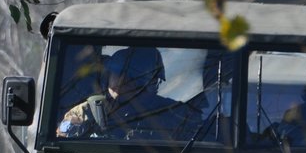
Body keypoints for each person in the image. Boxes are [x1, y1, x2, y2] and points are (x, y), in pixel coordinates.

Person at [58, 46, 203, 139]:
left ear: (148, 83)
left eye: (129, 78)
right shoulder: (90, 110)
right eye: (116, 74)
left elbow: (200, 139)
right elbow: (62, 135)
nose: (120, 83)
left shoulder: (173, 112)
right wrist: (73, 128)